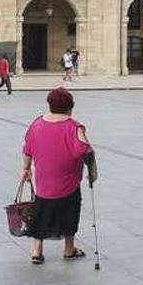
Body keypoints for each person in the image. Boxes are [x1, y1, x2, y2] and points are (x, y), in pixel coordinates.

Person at [20, 88, 93, 264]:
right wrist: (92, 171)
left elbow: (27, 149)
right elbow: (86, 151)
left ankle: (36, 250)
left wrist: (26, 169)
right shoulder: (74, 127)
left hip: (44, 184)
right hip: (69, 184)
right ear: (70, 107)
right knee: (70, 211)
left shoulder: (36, 124)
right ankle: (69, 249)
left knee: (41, 212)